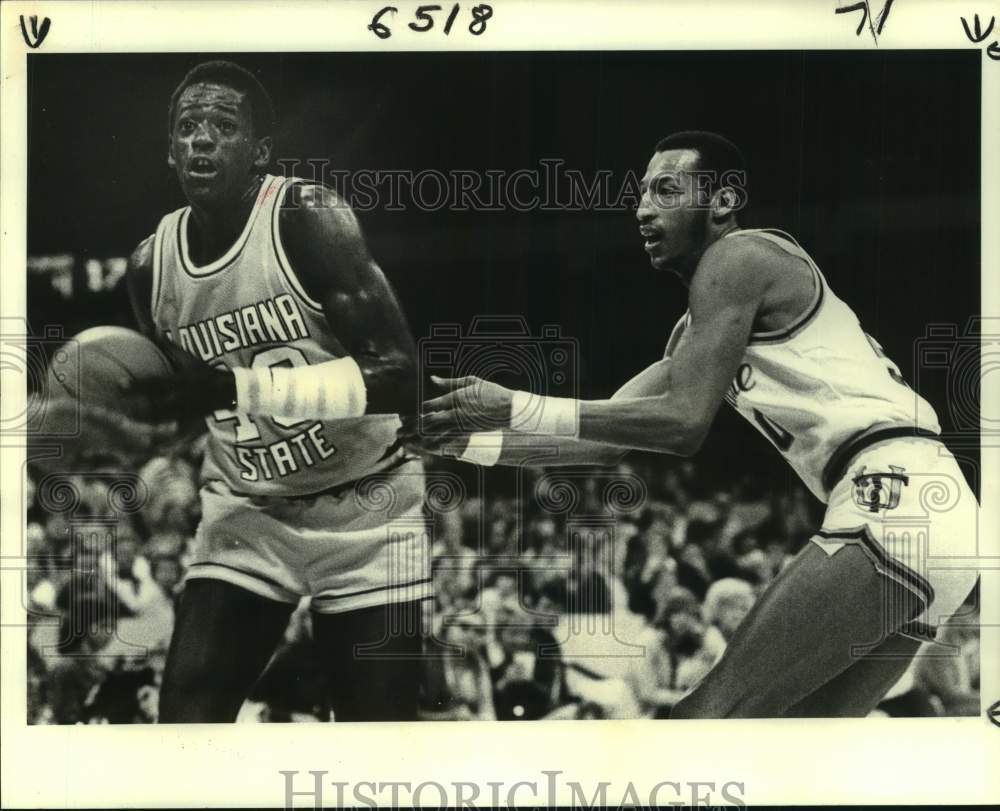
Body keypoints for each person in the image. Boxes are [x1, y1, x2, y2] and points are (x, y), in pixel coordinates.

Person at [412, 130, 980, 717]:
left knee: (705, 721)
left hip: (893, 494)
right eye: (640, 194)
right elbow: (602, 446)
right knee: (795, 753)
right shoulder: (695, 335)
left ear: (724, 200)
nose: (642, 209)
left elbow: (684, 425)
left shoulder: (739, 256)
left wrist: (515, 403)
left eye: (665, 189)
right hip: (946, 523)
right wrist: (467, 444)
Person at [124, 61, 428, 722]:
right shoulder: (151, 267)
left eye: (222, 127)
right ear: (170, 150)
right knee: (182, 731)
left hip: (365, 508)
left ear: (260, 152)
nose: (201, 139)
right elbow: (178, 407)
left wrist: (236, 385)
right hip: (249, 513)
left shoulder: (307, 218)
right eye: (187, 127)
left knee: (375, 750)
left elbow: (401, 378)